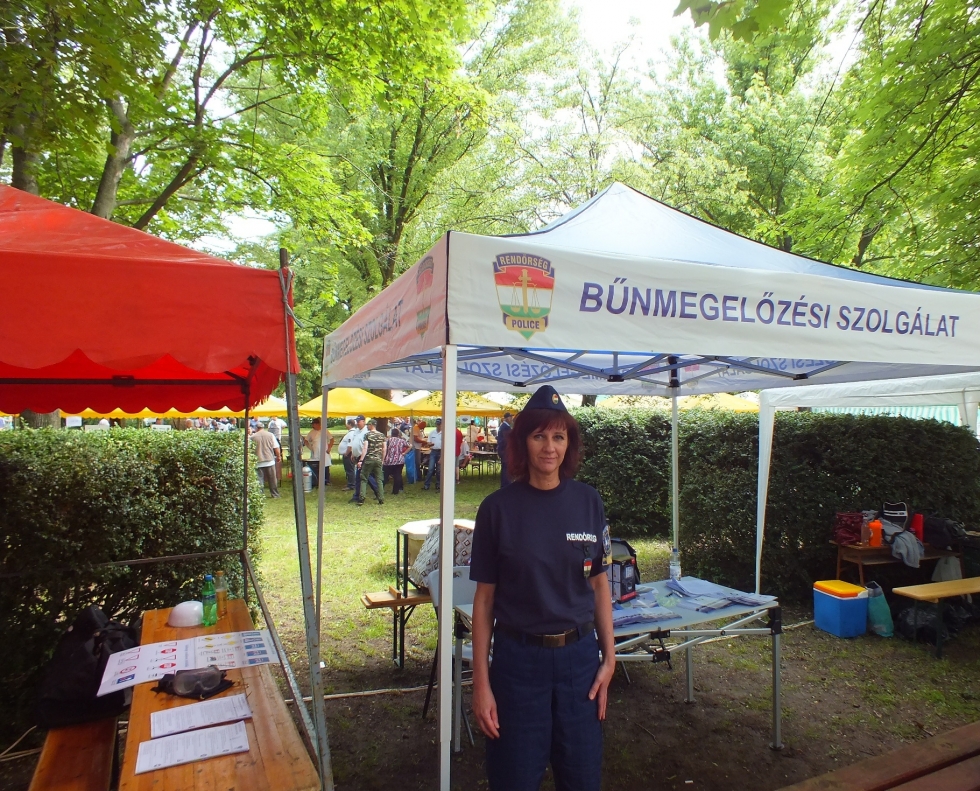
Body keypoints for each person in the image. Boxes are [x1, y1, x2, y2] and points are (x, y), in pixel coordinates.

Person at [469, 385, 614, 791]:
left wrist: (609, 658)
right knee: (513, 779)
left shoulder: (589, 501)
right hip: (518, 665)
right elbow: (484, 601)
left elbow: (599, 585)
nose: (550, 447)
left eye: (559, 436)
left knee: (582, 778)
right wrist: (481, 683)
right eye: (539, 436)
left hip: (580, 664)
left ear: (569, 444)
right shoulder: (496, 510)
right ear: (522, 443)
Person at [356, 419, 386, 505]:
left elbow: (365, 448)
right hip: (378, 460)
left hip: (369, 459)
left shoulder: (367, 435)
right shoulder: (382, 435)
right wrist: (382, 460)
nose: (367, 426)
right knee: (379, 480)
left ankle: (361, 499)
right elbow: (384, 448)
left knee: (364, 479)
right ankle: (381, 499)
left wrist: (361, 460)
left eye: (368, 425)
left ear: (371, 425)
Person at [250, 423, 281, 498]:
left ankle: (260, 495)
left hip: (258, 460)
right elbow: (276, 447)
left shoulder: (253, 437)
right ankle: (275, 494)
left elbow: (250, 449)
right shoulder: (270, 435)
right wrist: (278, 456)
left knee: (259, 479)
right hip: (269, 460)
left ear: (256, 428)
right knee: (272, 479)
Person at [304, 417, 333, 486]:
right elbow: (306, 440)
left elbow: (331, 439)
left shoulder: (324, 430)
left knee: (325, 465)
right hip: (316, 451)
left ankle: (327, 480)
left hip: (324, 450)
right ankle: (317, 480)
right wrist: (311, 448)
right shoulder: (311, 432)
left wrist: (329, 448)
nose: (313, 425)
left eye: (314, 424)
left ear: (318, 424)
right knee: (316, 465)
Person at [383, 427, 410, 495]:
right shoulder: (401, 440)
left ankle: (380, 489)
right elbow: (410, 446)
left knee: (385, 475)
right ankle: (395, 491)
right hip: (399, 460)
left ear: (391, 434)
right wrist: (404, 453)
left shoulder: (388, 440)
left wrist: (383, 458)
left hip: (389, 461)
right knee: (397, 475)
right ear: (398, 434)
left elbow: (384, 449)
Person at [338, 419, 358, 490]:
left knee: (350, 469)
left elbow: (350, 445)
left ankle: (351, 485)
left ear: (349, 424)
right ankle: (350, 482)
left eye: (347, 423)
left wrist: (346, 453)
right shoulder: (351, 432)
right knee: (349, 469)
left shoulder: (351, 433)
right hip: (348, 453)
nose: (346, 425)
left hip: (348, 454)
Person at [423, 418, 443, 490]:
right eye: (437, 424)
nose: (438, 426)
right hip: (433, 451)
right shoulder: (432, 432)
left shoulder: (444, 433)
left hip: (441, 452)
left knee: (439, 470)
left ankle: (438, 484)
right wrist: (430, 444)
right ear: (436, 424)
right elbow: (428, 443)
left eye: (439, 424)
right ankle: (426, 485)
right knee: (430, 469)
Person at [497, 411, 513, 487]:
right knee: (506, 467)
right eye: (510, 417)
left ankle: (505, 483)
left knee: (505, 467)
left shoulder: (503, 426)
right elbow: (507, 440)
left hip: (502, 449)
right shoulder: (505, 427)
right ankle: (506, 484)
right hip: (505, 450)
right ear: (507, 418)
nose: (511, 419)